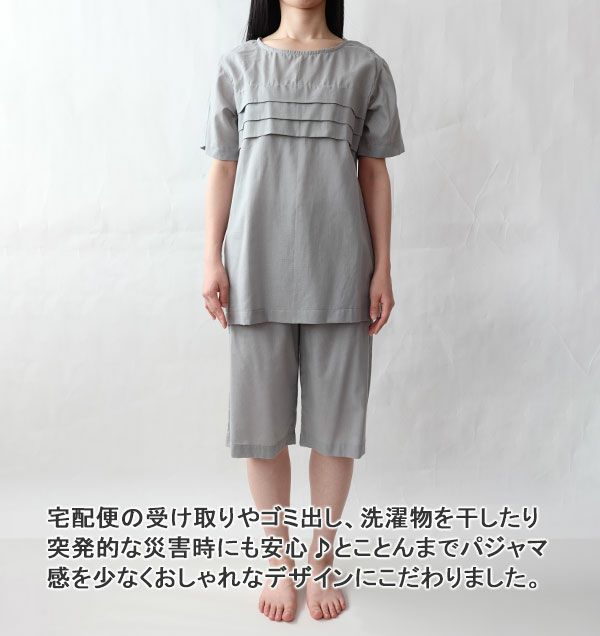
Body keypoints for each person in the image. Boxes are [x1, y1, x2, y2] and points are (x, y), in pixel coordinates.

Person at [201, 0, 405, 623]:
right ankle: (275, 561)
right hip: (254, 267)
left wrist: (383, 267)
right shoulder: (238, 65)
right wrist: (210, 258)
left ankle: (321, 561)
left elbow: (374, 174)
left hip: (340, 266)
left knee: (335, 427)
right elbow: (223, 168)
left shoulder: (365, 68)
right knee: (261, 427)